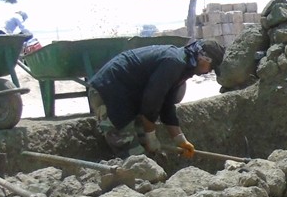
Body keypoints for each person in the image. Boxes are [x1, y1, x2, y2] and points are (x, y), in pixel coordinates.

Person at [87, 39, 224, 158]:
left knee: (147, 153)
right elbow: (152, 101)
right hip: (109, 94)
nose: (209, 72)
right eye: (211, 67)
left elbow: (167, 104)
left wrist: (180, 139)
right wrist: (150, 136)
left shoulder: (181, 65)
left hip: (126, 99)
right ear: (203, 58)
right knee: (134, 156)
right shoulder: (173, 62)